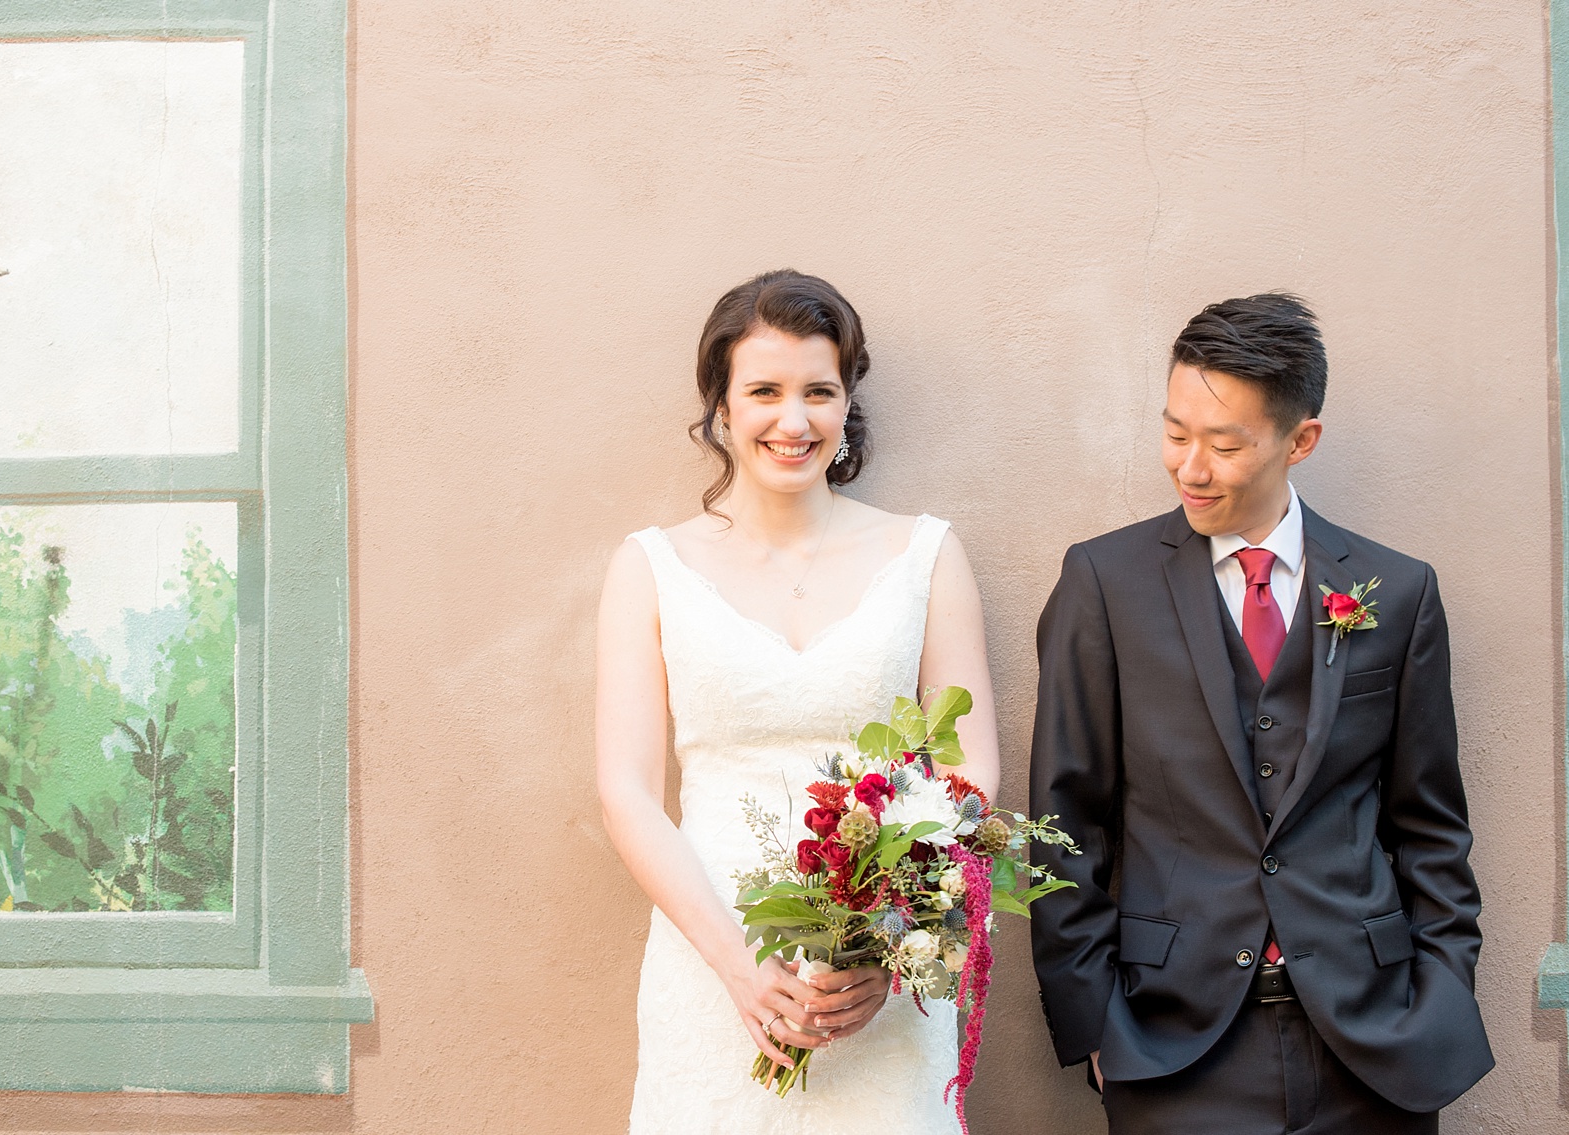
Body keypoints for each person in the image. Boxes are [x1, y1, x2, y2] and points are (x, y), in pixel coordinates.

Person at [1028, 294, 1493, 1134]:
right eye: (1175, 433)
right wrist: (1096, 1024)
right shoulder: (1104, 583)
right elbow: (1065, 821)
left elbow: (1430, 824)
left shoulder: (1403, 590)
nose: (1190, 467)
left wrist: (1441, 992)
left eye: (1225, 443)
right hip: (1173, 1048)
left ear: (1300, 440)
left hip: (1374, 1045)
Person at [596, 270, 1000, 1132]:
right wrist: (739, 966)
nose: (794, 420)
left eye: (820, 391)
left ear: (847, 402)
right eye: (765, 391)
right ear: (721, 405)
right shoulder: (649, 568)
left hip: (878, 988)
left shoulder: (926, 555)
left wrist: (886, 950)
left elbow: (966, 772)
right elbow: (628, 793)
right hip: (710, 974)